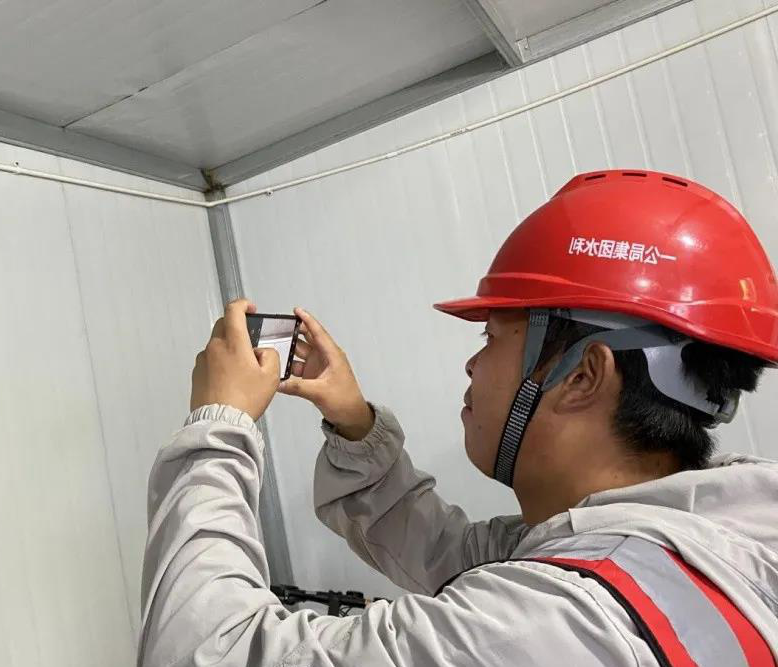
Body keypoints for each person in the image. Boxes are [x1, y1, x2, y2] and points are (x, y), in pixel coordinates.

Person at [139, 170, 778, 666]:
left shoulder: (564, 626)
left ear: (583, 376)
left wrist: (219, 423)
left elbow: (204, 651)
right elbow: (454, 555)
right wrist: (355, 423)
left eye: (492, 337)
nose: (473, 365)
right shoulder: (697, 548)